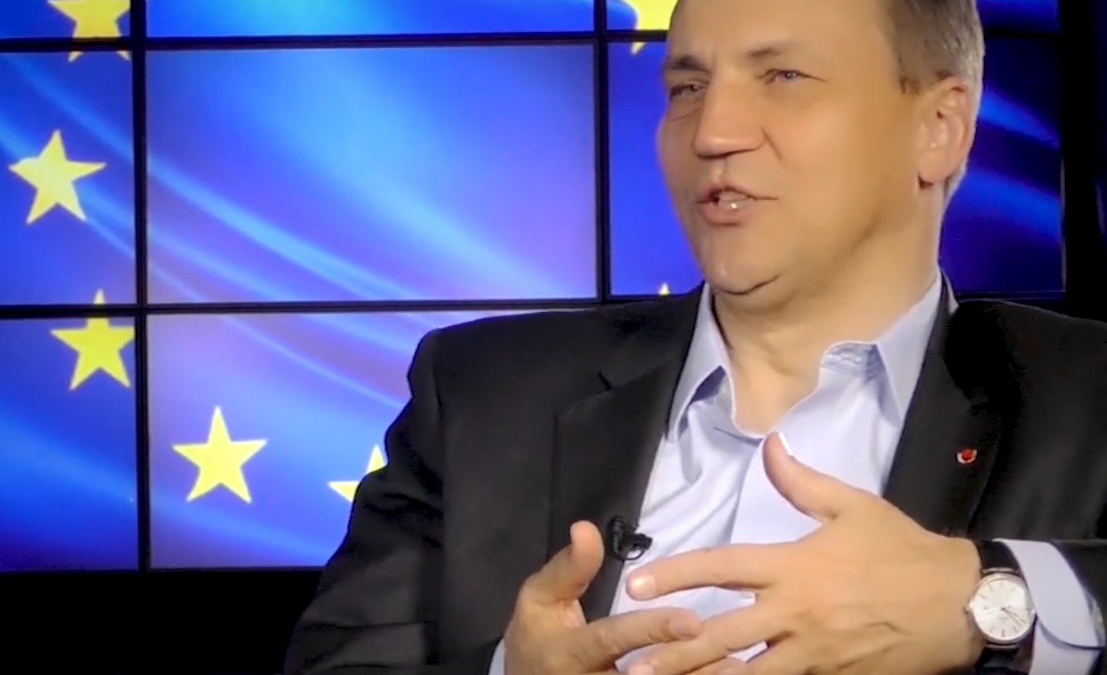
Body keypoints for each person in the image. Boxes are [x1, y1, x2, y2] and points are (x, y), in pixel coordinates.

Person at [284, 0, 1107, 673]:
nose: (712, 131)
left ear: (939, 127)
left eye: (783, 77)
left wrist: (986, 599)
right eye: (687, 86)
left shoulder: (1083, 397)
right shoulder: (481, 390)